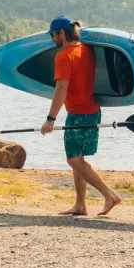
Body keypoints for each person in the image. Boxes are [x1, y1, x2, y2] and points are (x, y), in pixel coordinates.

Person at [39, 15, 122, 216]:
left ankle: (110, 195)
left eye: (53, 35)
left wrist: (50, 118)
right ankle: (80, 205)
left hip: (78, 114)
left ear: (61, 33)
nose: (52, 39)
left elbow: (61, 88)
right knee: (78, 158)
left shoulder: (63, 56)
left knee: (73, 160)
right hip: (93, 111)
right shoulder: (87, 50)